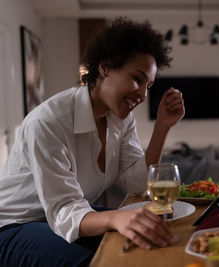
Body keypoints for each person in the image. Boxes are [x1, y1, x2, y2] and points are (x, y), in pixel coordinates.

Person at [0, 17, 184, 266]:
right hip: (14, 226)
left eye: (149, 85)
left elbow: (138, 182)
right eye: (137, 79)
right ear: (105, 67)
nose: (143, 94)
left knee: (146, 237)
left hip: (64, 215)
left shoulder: (120, 119)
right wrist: (114, 219)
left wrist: (163, 126)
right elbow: (63, 211)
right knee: (106, 257)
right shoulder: (48, 122)